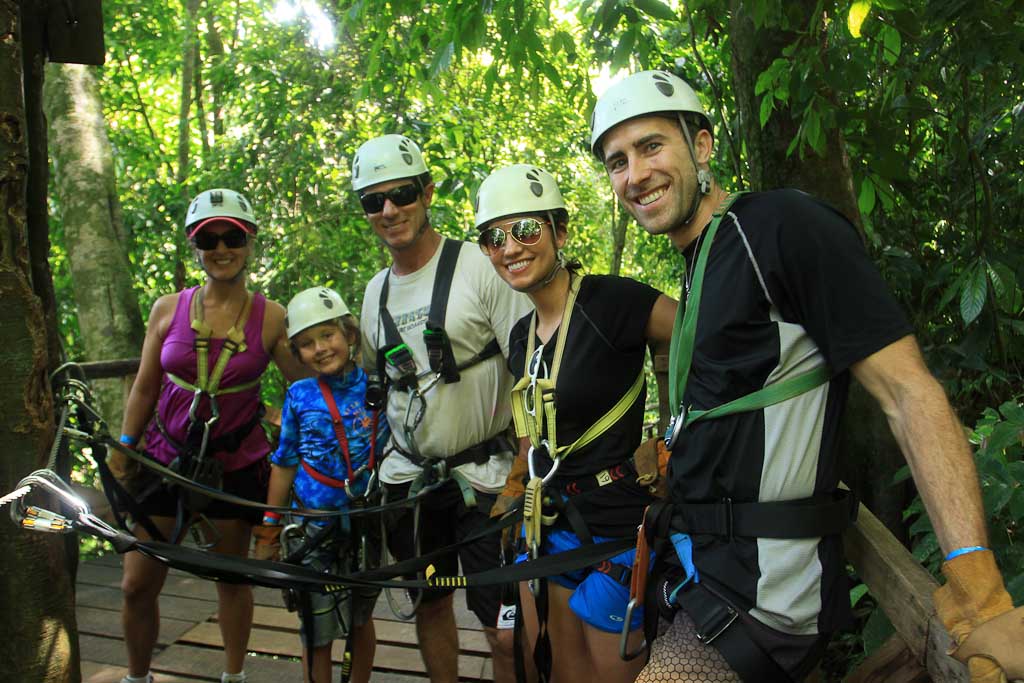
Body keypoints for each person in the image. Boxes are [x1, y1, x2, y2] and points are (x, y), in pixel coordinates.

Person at [589, 69, 1024, 682]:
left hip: (762, 603)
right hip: (704, 572)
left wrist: (975, 578)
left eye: (651, 146)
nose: (635, 174)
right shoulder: (704, 262)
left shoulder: (781, 227)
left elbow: (907, 391)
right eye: (616, 162)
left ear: (702, 145)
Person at [474, 164, 676, 683]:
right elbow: (531, 431)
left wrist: (677, 423)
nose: (510, 247)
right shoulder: (521, 336)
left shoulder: (612, 303)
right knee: (562, 669)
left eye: (525, 230)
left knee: (612, 674)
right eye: (494, 238)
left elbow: (702, 332)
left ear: (559, 232)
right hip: (552, 520)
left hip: (618, 523)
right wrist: (518, 487)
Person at [354, 134, 532, 683]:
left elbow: (530, 367)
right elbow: (373, 384)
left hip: (487, 482)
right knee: (430, 604)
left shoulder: (480, 268)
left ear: (427, 192)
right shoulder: (373, 294)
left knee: (504, 628)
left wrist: (524, 473)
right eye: (373, 200)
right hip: (411, 480)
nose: (390, 210)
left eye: (402, 193)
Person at [114, 188, 305, 683]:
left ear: (250, 241)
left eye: (232, 236)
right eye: (209, 238)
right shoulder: (167, 310)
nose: (222, 248)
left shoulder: (273, 317)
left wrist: (281, 420)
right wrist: (124, 451)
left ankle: (234, 675)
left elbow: (304, 391)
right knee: (137, 582)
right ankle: (138, 676)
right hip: (163, 459)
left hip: (235, 464)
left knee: (231, 576)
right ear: (194, 246)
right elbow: (144, 387)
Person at [253, 286, 388, 683]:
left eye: (327, 335)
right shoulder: (299, 395)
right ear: (297, 355)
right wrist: (269, 529)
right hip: (313, 525)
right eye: (307, 344)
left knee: (361, 620)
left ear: (349, 334)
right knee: (317, 628)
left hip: (366, 520)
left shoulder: (378, 388)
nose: (320, 348)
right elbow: (284, 463)